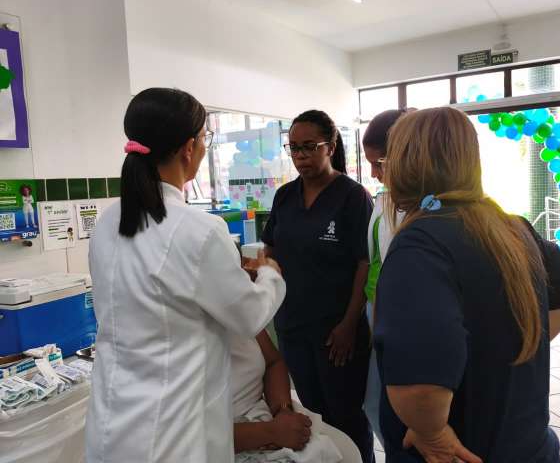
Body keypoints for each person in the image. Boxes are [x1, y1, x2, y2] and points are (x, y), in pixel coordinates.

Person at [374, 107, 560, 463]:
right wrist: (517, 343)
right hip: (528, 444)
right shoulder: (512, 226)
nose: (381, 171)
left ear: (406, 164)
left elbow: (419, 389)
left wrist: (432, 433)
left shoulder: (420, 246)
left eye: (387, 159)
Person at [85, 88, 286, 462]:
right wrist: (270, 276)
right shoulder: (200, 230)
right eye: (205, 138)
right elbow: (249, 317)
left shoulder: (107, 221)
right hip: (173, 436)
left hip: (112, 428)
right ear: (189, 148)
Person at [262, 109, 375, 463]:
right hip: (293, 327)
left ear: (331, 147)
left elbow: (364, 263)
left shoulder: (353, 197)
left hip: (337, 333)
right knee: (312, 412)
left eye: (310, 147)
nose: (301, 156)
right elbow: (270, 248)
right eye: (294, 148)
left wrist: (349, 324)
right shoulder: (284, 196)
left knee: (346, 414)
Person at [361, 109, 411, 444]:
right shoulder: (386, 199)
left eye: (380, 164)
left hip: (399, 317)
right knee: (374, 404)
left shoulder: (425, 208)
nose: (374, 174)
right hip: (375, 309)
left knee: (394, 408)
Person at [231, 330, 343, 463]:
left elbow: (273, 362)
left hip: (268, 420)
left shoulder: (244, 321)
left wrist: (283, 411)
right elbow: (208, 437)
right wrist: (270, 432)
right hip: (225, 444)